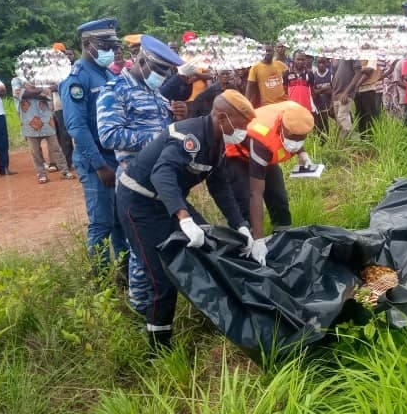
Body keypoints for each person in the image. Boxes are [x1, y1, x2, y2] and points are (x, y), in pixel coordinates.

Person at [116, 90, 256, 351]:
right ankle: (159, 348)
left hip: (167, 200)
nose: (244, 132)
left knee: (209, 247)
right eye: (241, 125)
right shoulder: (189, 137)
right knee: (162, 277)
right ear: (223, 118)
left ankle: (219, 315)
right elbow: (162, 175)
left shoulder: (217, 144)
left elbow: (221, 186)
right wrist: (184, 218)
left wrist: (241, 226)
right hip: (139, 203)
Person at [96, 34, 187, 313]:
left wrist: (179, 118)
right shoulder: (115, 90)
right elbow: (109, 136)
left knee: (163, 242)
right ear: (141, 60)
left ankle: (158, 297)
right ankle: (140, 307)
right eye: (159, 70)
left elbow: (167, 128)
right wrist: (160, 138)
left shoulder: (156, 91)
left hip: (162, 180)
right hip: (134, 182)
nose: (162, 76)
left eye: (167, 71)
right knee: (141, 249)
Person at [61, 17, 127, 270]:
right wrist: (100, 165)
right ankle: (101, 281)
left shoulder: (108, 73)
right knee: (102, 222)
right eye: (105, 44)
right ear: (88, 44)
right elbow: (76, 127)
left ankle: (125, 273)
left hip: (117, 158)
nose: (111, 50)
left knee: (121, 219)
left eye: (113, 44)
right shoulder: (77, 79)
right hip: (95, 161)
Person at [225, 101, 314, 245]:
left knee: (277, 193)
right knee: (245, 198)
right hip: (236, 155)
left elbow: (297, 131)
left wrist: (302, 153)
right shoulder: (263, 139)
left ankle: (283, 236)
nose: (295, 143)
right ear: (282, 129)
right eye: (292, 138)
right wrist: (259, 239)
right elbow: (256, 193)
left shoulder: (296, 114)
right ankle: (247, 241)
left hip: (264, 152)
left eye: (301, 139)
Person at [13, 77, 74, 184]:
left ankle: (64, 171)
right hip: (29, 122)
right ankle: (41, 174)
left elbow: (54, 89)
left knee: (56, 147)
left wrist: (31, 91)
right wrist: (41, 90)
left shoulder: (41, 76)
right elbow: (20, 94)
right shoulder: (16, 80)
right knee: (35, 151)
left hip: (46, 120)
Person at [50, 44, 75, 169]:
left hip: (73, 103)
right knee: (64, 135)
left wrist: (60, 86)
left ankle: (77, 159)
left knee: (75, 131)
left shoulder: (72, 67)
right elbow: (50, 88)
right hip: (59, 105)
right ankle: (69, 162)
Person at [246, 43, 289, 108]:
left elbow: (290, 78)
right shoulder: (255, 68)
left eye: (269, 51)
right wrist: (247, 105)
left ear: (274, 52)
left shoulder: (280, 65)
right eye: (265, 51)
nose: (267, 53)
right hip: (267, 105)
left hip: (283, 103)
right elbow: (250, 89)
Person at [331, 59, 364, 138]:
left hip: (345, 94)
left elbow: (358, 74)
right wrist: (332, 97)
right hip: (336, 95)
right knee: (339, 123)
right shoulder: (337, 57)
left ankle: (350, 144)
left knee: (343, 118)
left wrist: (346, 92)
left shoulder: (352, 54)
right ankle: (344, 146)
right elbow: (335, 77)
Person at [353, 58, 380, 134]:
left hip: (368, 89)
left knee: (370, 115)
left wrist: (358, 70)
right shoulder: (357, 56)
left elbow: (369, 70)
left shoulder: (372, 55)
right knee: (360, 116)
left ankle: (372, 139)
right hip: (357, 90)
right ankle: (362, 138)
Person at [311, 56, 333, 133]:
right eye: (319, 63)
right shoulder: (313, 76)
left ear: (327, 63)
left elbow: (333, 91)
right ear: (316, 63)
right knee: (323, 126)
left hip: (330, 105)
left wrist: (319, 91)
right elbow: (313, 92)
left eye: (323, 62)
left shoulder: (331, 75)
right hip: (319, 106)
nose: (321, 65)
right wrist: (325, 89)